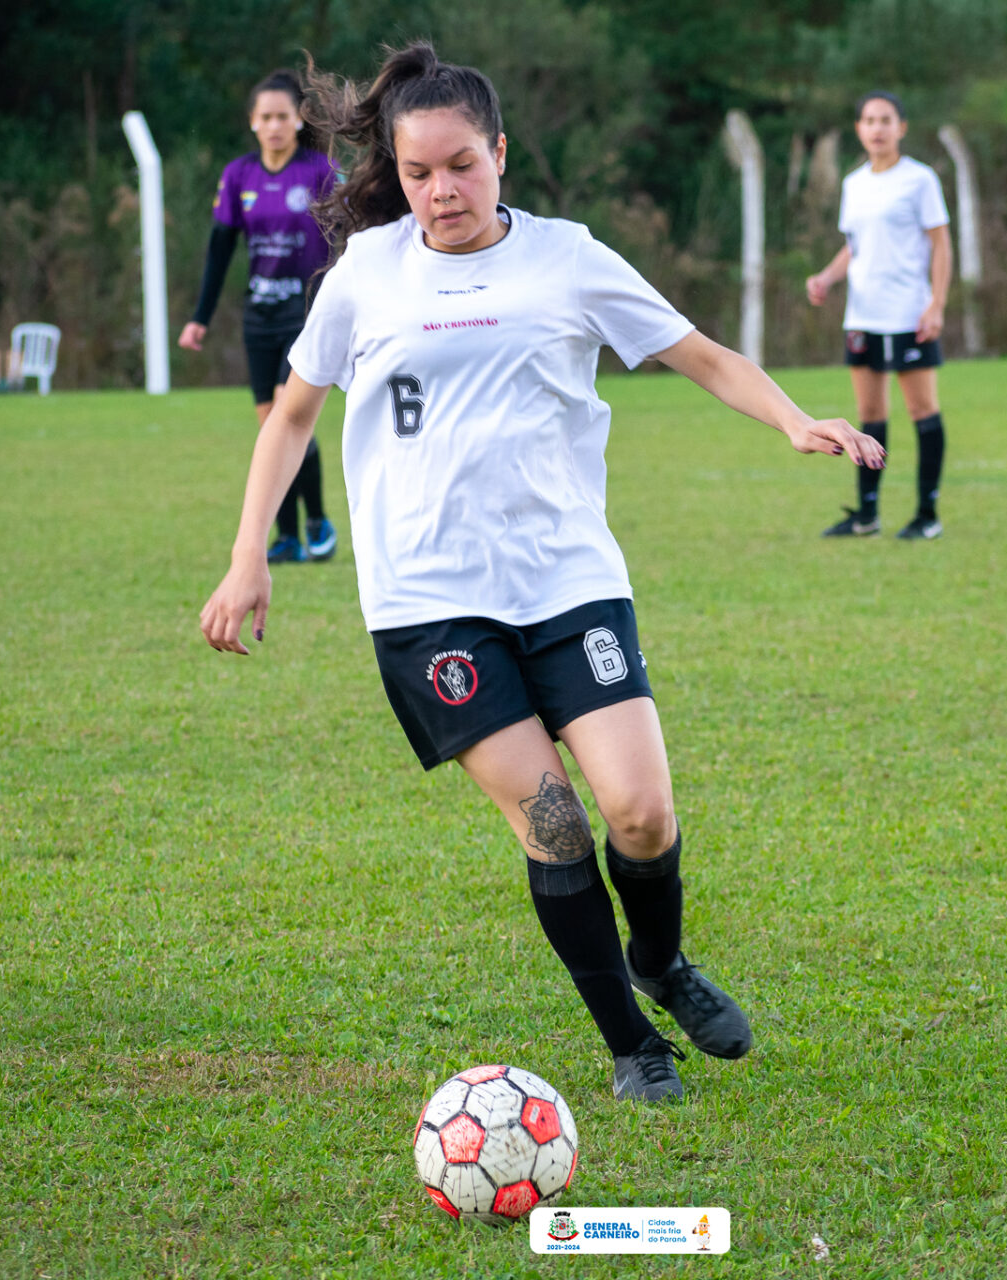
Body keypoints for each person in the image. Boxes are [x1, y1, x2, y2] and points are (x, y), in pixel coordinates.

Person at [201, 44, 884, 1101]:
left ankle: (660, 961)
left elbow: (697, 351)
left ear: (502, 155)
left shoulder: (567, 258)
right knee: (556, 821)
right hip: (430, 607)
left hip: (568, 581)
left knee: (642, 814)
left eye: (462, 167)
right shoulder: (368, 273)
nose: (441, 192)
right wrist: (250, 554)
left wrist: (795, 418)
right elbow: (291, 413)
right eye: (420, 172)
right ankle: (630, 1042)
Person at [179, 69, 340, 564]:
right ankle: (288, 535)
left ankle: (317, 523)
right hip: (259, 317)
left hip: (305, 314)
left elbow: (345, 239)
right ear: (253, 122)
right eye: (265, 117)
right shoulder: (238, 176)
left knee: (289, 416)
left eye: (283, 117)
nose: (274, 125)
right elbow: (220, 250)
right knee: (272, 424)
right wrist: (200, 316)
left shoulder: (319, 173)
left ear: (298, 121)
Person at [804, 90, 953, 541]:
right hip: (862, 315)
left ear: (901, 128)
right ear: (859, 129)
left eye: (886, 119)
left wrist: (937, 303)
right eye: (869, 120)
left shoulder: (920, 180)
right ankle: (866, 515)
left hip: (908, 314)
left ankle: (927, 514)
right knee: (870, 414)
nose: (877, 128)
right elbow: (855, 246)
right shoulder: (854, 184)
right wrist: (828, 278)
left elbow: (941, 243)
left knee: (922, 410)